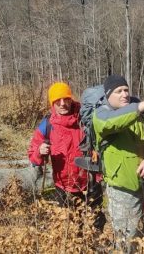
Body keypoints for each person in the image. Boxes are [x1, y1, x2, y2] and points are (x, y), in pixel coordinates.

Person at [92, 74, 144, 249]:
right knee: (126, 237)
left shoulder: (139, 110)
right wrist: (142, 105)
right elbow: (109, 124)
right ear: (108, 95)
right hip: (123, 187)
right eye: (118, 91)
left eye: (126, 90)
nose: (124, 94)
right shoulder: (102, 113)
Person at [28, 82, 105, 230]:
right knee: (69, 229)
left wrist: (99, 176)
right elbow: (32, 155)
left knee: (96, 225)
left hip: (90, 183)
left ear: (71, 99)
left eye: (66, 99)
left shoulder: (86, 118)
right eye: (58, 101)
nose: (63, 104)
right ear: (52, 103)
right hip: (62, 187)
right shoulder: (47, 125)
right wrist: (40, 151)